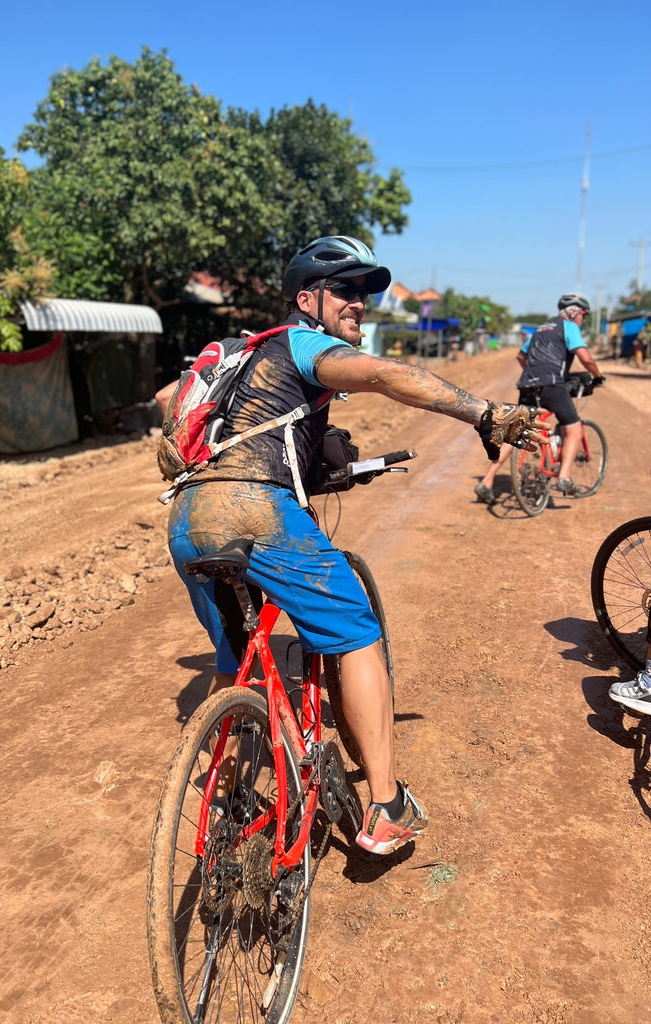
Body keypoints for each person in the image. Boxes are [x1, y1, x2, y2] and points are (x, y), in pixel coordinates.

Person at [157, 236, 541, 856]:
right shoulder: (304, 342)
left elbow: (166, 401)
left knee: (236, 656)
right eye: (344, 290)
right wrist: (484, 414)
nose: (359, 302)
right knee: (357, 630)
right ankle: (386, 806)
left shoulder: (234, 354)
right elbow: (387, 374)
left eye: (365, 292)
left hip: (188, 515)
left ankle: (224, 791)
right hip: (257, 507)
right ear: (307, 299)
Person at [474, 293, 603, 505]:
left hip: (527, 385)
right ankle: (564, 477)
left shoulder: (540, 329)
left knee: (516, 431)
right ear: (574, 312)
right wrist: (598, 377)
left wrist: (533, 376)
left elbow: (520, 356)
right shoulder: (569, 327)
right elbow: (585, 357)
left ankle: (486, 482)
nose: (583, 320)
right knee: (574, 428)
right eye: (584, 315)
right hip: (552, 385)